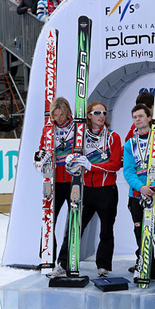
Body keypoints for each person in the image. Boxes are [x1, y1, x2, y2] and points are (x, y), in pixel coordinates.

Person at [48, 101, 122, 278]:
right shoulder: (79, 136)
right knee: (74, 227)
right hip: (85, 190)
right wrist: (69, 161)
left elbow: (115, 165)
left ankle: (103, 266)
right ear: (88, 115)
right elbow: (68, 155)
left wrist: (91, 165)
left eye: (104, 113)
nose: (101, 116)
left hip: (106, 189)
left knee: (106, 230)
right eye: (97, 113)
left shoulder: (113, 137)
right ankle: (63, 263)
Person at [123, 104, 155, 287]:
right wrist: (141, 188)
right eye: (134, 117)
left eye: (141, 116)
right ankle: (148, 270)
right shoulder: (130, 143)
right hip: (137, 196)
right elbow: (128, 171)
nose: (137, 119)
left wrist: (154, 186)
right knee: (142, 235)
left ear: (149, 117)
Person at [34, 97, 75, 263]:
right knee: (48, 218)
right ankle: (46, 256)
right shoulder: (48, 129)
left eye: (61, 115)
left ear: (67, 112)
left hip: (73, 181)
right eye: (55, 115)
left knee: (73, 222)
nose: (58, 118)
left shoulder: (77, 127)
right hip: (54, 181)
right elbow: (41, 150)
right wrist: (40, 158)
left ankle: (66, 260)